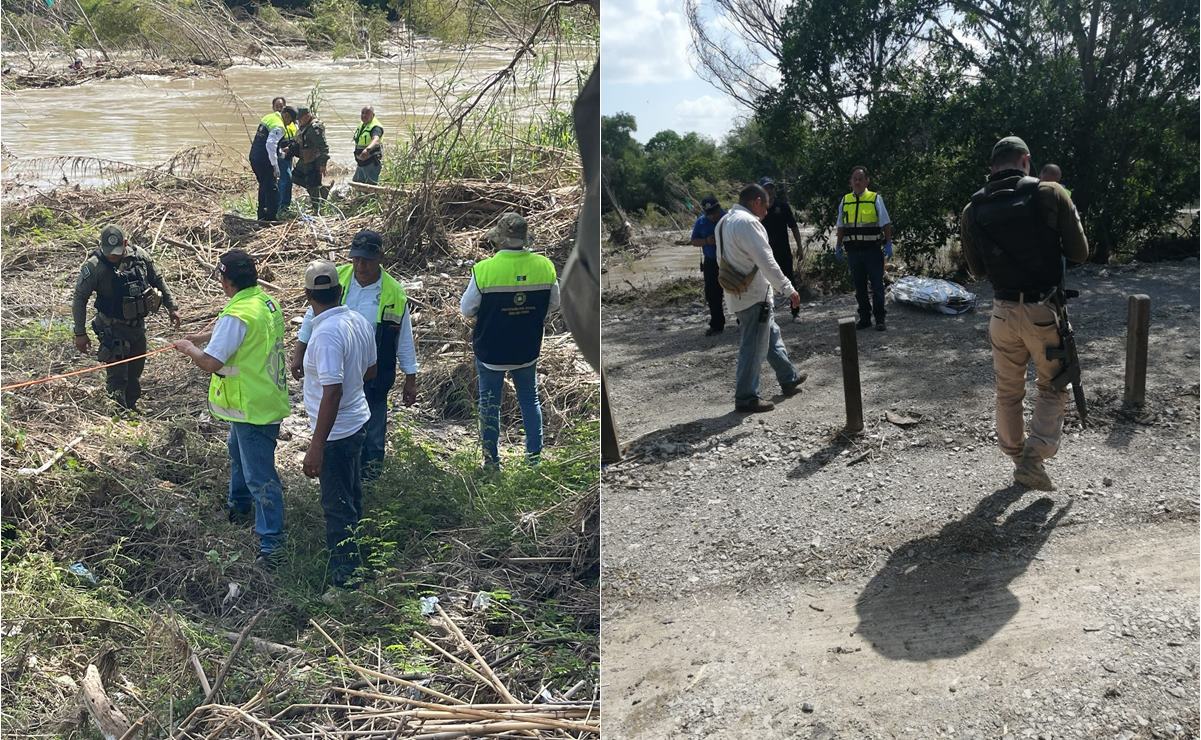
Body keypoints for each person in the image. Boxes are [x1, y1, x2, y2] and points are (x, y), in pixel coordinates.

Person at [960, 136, 1089, 491]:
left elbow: (977, 271)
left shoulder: (972, 210)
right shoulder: (1050, 193)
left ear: (992, 167)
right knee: (1053, 384)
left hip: (1001, 313)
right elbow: (1079, 252)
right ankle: (1033, 460)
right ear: (1025, 161)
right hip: (1043, 311)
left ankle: (1017, 457)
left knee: (1007, 390)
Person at [173, 250, 290, 567]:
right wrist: (203, 336)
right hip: (262, 399)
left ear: (226, 280)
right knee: (237, 453)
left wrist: (190, 349)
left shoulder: (237, 314)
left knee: (260, 476)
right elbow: (236, 333)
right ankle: (238, 508)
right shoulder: (264, 301)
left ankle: (272, 545)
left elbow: (211, 362)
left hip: (252, 406)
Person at [291, 229, 417, 482]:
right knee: (338, 430)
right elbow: (312, 314)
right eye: (356, 259)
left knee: (374, 435)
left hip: (374, 373)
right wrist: (299, 351)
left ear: (380, 258)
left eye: (367, 260)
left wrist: (410, 377)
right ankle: (346, 479)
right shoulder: (338, 279)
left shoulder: (393, 292)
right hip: (340, 371)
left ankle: (369, 483)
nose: (361, 266)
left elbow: (403, 337)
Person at [298, 260, 377, 587]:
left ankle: (346, 579)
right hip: (356, 421)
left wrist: (316, 447)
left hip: (337, 432)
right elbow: (371, 371)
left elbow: (332, 393)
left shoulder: (326, 335)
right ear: (340, 290)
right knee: (352, 495)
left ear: (307, 295)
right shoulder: (357, 320)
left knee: (337, 505)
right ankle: (361, 560)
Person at [460, 213, 559, 469]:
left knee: (489, 404)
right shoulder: (545, 266)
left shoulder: (484, 270)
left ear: (499, 239)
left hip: (491, 350)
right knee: (529, 399)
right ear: (525, 239)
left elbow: (467, 309)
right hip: (527, 347)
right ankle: (534, 459)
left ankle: (491, 461)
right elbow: (554, 304)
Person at [715, 184, 804, 413]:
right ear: (756, 202)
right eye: (765, 205)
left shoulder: (723, 222)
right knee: (753, 346)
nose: (767, 211)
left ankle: (788, 378)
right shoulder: (748, 223)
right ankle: (746, 397)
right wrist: (788, 289)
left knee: (770, 336)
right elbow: (767, 262)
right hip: (754, 296)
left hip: (737, 292)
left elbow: (720, 260)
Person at [72, 225, 181, 410]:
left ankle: (131, 406)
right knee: (117, 375)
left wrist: (172, 307)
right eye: (109, 253)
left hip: (137, 327)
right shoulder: (94, 266)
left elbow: (157, 279)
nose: (112, 256)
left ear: (125, 243)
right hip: (112, 328)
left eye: (116, 252)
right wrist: (80, 333)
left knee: (135, 371)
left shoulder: (140, 257)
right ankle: (117, 410)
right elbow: (80, 298)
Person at [835, 166, 894, 331]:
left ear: (867, 181)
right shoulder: (845, 200)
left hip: (872, 250)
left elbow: (886, 223)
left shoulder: (875, 198)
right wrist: (838, 246)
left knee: (877, 286)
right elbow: (841, 226)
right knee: (859, 287)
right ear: (850, 182)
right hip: (853, 252)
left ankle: (880, 319)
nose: (857, 182)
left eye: (860, 179)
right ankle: (865, 318)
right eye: (855, 179)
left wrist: (888, 243)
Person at [247, 105, 295, 222]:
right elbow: (270, 144)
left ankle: (262, 216)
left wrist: (280, 153)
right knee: (272, 189)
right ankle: (271, 218)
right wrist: (275, 165)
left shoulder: (269, 117)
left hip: (255, 156)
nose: (289, 124)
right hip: (264, 160)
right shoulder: (279, 126)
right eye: (290, 121)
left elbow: (266, 141)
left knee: (264, 186)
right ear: (286, 116)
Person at [759, 177, 804, 290]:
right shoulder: (757, 209)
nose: (769, 191)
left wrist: (799, 247)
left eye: (771, 188)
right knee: (764, 286)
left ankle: (793, 302)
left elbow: (794, 227)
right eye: (766, 188)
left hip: (783, 251)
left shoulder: (783, 206)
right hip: (764, 252)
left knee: (789, 283)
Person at [691, 195, 726, 336]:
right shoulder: (701, 222)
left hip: (729, 260)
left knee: (736, 290)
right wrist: (706, 241)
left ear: (719, 209)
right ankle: (717, 324)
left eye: (714, 212)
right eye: (709, 214)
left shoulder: (729, 219)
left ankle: (742, 321)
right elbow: (694, 241)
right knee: (712, 294)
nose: (712, 216)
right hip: (711, 261)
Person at [291, 107, 330, 211]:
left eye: (300, 119)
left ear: (307, 116)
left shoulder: (315, 128)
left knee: (313, 185)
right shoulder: (305, 126)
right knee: (295, 178)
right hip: (305, 159)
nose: (299, 121)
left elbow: (323, 146)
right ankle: (322, 190)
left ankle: (317, 208)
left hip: (314, 161)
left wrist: (323, 163)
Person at [352, 106, 384, 185]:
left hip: (371, 162)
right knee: (356, 183)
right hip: (361, 163)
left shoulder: (376, 127)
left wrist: (367, 150)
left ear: (373, 115)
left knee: (370, 186)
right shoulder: (363, 124)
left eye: (367, 113)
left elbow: (376, 140)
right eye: (362, 113)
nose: (364, 115)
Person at [277, 102, 298, 214]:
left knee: (286, 181)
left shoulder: (293, 124)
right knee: (286, 180)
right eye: (277, 106)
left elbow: (296, 139)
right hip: (281, 157)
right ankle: (282, 206)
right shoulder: (277, 124)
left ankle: (284, 205)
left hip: (288, 156)